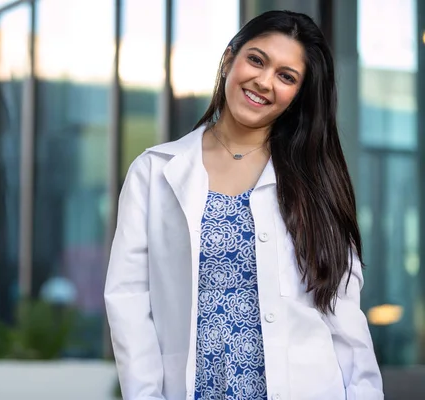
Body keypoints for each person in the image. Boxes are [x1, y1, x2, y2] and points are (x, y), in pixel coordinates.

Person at [104, 9, 383, 400]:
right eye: (256, 60)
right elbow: (129, 303)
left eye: (286, 77)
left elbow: (345, 319)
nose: (264, 82)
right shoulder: (154, 172)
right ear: (228, 60)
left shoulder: (314, 183)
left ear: (297, 96)